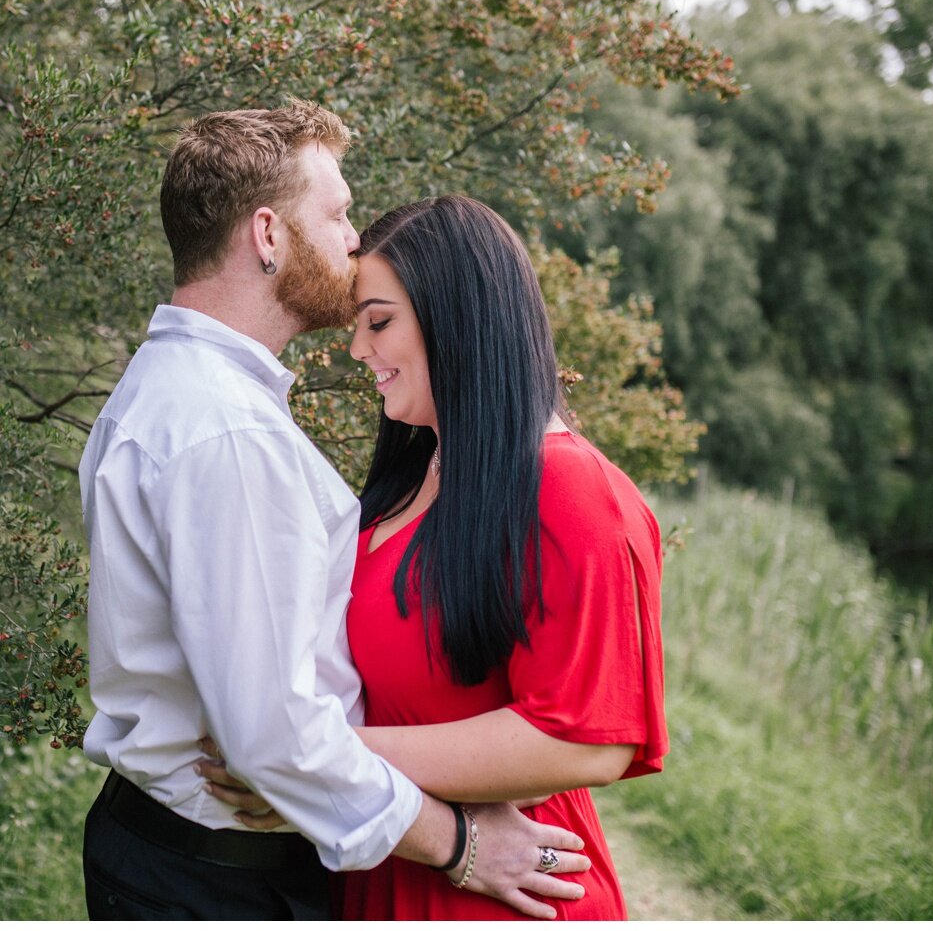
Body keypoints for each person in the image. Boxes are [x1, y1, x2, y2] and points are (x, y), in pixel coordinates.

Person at [79, 106, 589, 920]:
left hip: (179, 856)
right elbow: (272, 737)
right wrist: (460, 843)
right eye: (338, 213)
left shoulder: (169, 389)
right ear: (268, 234)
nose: (354, 241)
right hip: (220, 881)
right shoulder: (229, 433)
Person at [202, 194, 668, 919]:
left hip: (507, 894)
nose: (359, 350)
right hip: (392, 869)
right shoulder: (413, 478)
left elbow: (583, 741)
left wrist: (315, 763)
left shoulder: (573, 490)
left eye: (378, 322)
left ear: (457, 319)